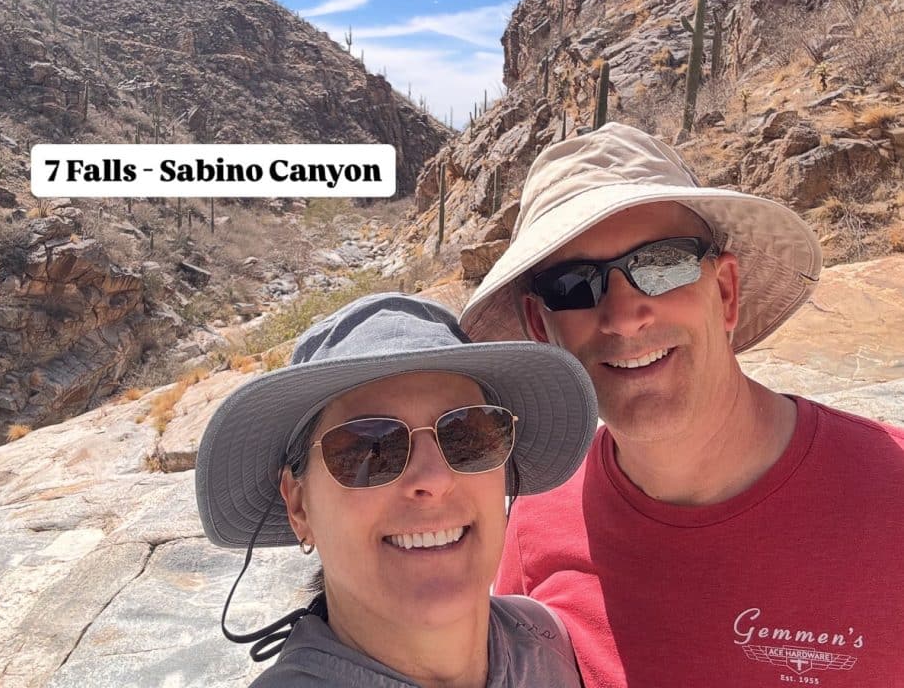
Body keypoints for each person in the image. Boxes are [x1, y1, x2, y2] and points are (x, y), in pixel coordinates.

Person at [460, 122, 904, 687]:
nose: (624, 316)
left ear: (724, 292)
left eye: (661, 264)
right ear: (540, 328)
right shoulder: (535, 520)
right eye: (573, 285)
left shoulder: (893, 490)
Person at [196, 292, 598, 687]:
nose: (434, 480)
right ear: (299, 506)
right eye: (372, 449)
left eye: (466, 438)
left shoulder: (548, 643)